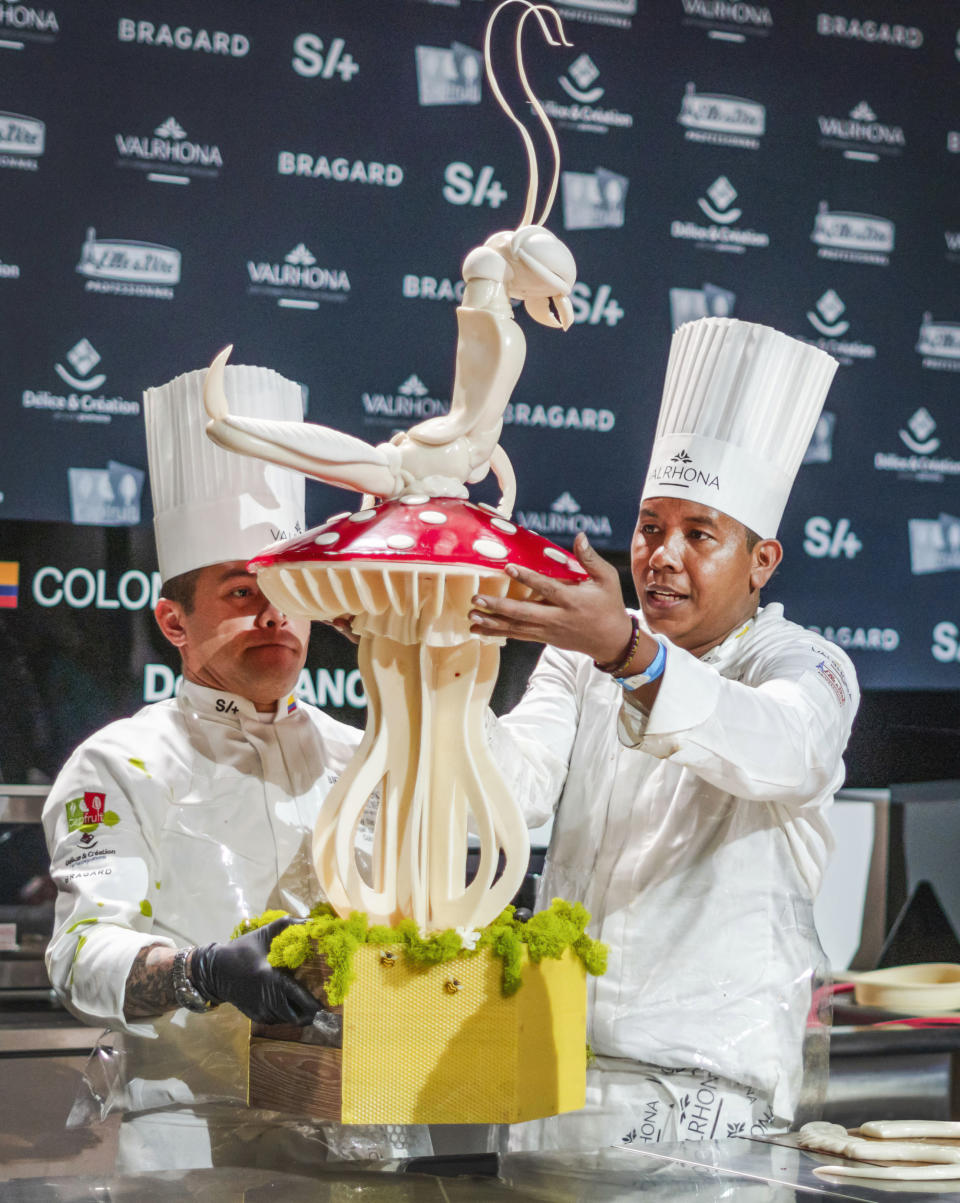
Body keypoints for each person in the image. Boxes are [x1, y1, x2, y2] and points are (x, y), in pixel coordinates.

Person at [471, 317, 860, 1149]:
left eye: (699, 534)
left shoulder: (806, 667)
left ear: (762, 561)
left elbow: (779, 746)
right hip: (555, 1075)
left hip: (711, 1099)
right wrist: (444, 679)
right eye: (651, 527)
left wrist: (627, 651)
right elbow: (511, 791)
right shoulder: (583, 661)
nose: (662, 557)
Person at [41, 362, 416, 1171]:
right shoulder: (117, 762)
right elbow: (78, 955)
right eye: (243, 592)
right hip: (193, 1142)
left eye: (288, 590)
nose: (275, 614)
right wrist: (201, 973)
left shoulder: (365, 753)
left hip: (365, 1129)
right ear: (173, 621)